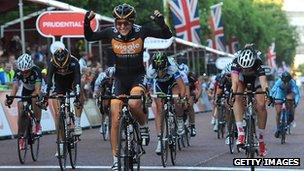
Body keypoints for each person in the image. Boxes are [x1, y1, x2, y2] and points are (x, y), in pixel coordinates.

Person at [84, 3, 172, 170]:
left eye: (126, 23)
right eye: (119, 23)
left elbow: (167, 35)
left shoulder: (141, 31)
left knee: (133, 103)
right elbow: (89, 37)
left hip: (138, 76)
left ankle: (144, 125)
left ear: (132, 22)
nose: (122, 26)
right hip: (120, 78)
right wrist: (86, 22)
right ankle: (116, 158)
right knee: (115, 114)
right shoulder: (111, 32)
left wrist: (161, 22)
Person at [39, 41, 83, 155]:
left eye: (65, 67)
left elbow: (77, 80)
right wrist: (45, 96)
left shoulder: (74, 62)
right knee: (58, 116)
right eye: (60, 68)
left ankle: (77, 123)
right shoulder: (52, 63)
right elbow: (48, 82)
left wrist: (77, 95)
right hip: (59, 85)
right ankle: (61, 143)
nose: (63, 70)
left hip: (72, 81)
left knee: (80, 93)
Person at [230, 44, 269, 157]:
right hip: (241, 78)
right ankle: (241, 132)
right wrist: (232, 94)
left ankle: (261, 140)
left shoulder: (258, 61)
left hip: (256, 78)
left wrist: (266, 92)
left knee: (261, 105)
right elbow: (235, 83)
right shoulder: (236, 61)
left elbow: (263, 82)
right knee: (237, 96)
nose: (246, 69)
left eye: (248, 68)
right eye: (244, 67)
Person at [146, 51, 186, 155]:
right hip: (159, 85)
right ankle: (160, 140)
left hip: (173, 83)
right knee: (160, 110)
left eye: (163, 70)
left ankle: (180, 119)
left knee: (177, 100)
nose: (161, 72)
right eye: (158, 70)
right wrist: (148, 97)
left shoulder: (172, 67)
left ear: (166, 66)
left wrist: (181, 98)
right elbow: (148, 89)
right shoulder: (150, 71)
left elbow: (182, 86)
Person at [5, 54, 42, 150]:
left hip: (37, 89)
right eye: (23, 72)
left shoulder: (36, 70)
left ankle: (37, 124)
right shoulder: (18, 72)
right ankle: (21, 136)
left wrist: (36, 94)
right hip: (26, 89)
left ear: (30, 68)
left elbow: (37, 89)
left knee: (35, 99)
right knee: (21, 107)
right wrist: (10, 98)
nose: (24, 73)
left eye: (26, 71)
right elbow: (15, 87)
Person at [269, 71, 300, 138]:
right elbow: (273, 90)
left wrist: (296, 102)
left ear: (290, 80)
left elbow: (297, 93)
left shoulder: (292, 82)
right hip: (280, 92)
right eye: (284, 82)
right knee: (278, 112)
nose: (286, 83)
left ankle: (290, 114)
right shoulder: (279, 81)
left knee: (290, 100)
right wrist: (271, 98)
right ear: (282, 80)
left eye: (287, 82)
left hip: (289, 92)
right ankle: (278, 129)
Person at [93, 67, 115, 134]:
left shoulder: (119, 78)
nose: (110, 80)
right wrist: (96, 93)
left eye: (112, 79)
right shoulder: (102, 77)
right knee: (103, 107)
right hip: (106, 91)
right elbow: (98, 86)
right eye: (109, 79)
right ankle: (103, 124)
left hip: (114, 92)